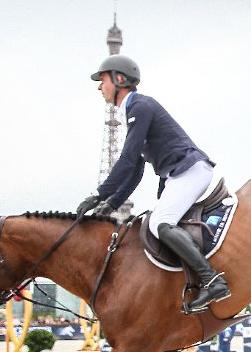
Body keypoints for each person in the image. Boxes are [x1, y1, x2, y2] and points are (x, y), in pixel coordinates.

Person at [76, 55, 230, 313]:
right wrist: (110, 204)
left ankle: (212, 280)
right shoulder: (133, 111)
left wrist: (97, 194)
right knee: (157, 222)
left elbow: (127, 160)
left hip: (189, 171)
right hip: (181, 174)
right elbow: (135, 170)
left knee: (160, 223)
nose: (99, 87)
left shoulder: (140, 106)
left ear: (119, 79)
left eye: (102, 80)